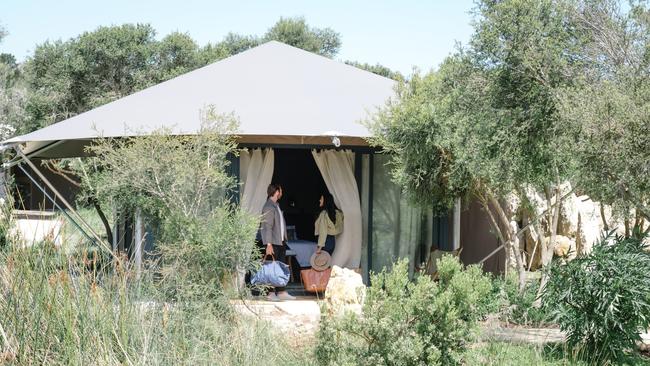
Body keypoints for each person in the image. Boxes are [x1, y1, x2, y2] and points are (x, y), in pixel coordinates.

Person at [260, 183, 295, 301]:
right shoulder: (269, 206)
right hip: (273, 243)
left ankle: (281, 292)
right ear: (276, 192)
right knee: (270, 268)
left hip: (280, 242)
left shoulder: (276, 205)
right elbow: (267, 227)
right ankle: (270, 294)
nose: (282, 192)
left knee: (280, 268)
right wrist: (268, 244)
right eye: (281, 190)